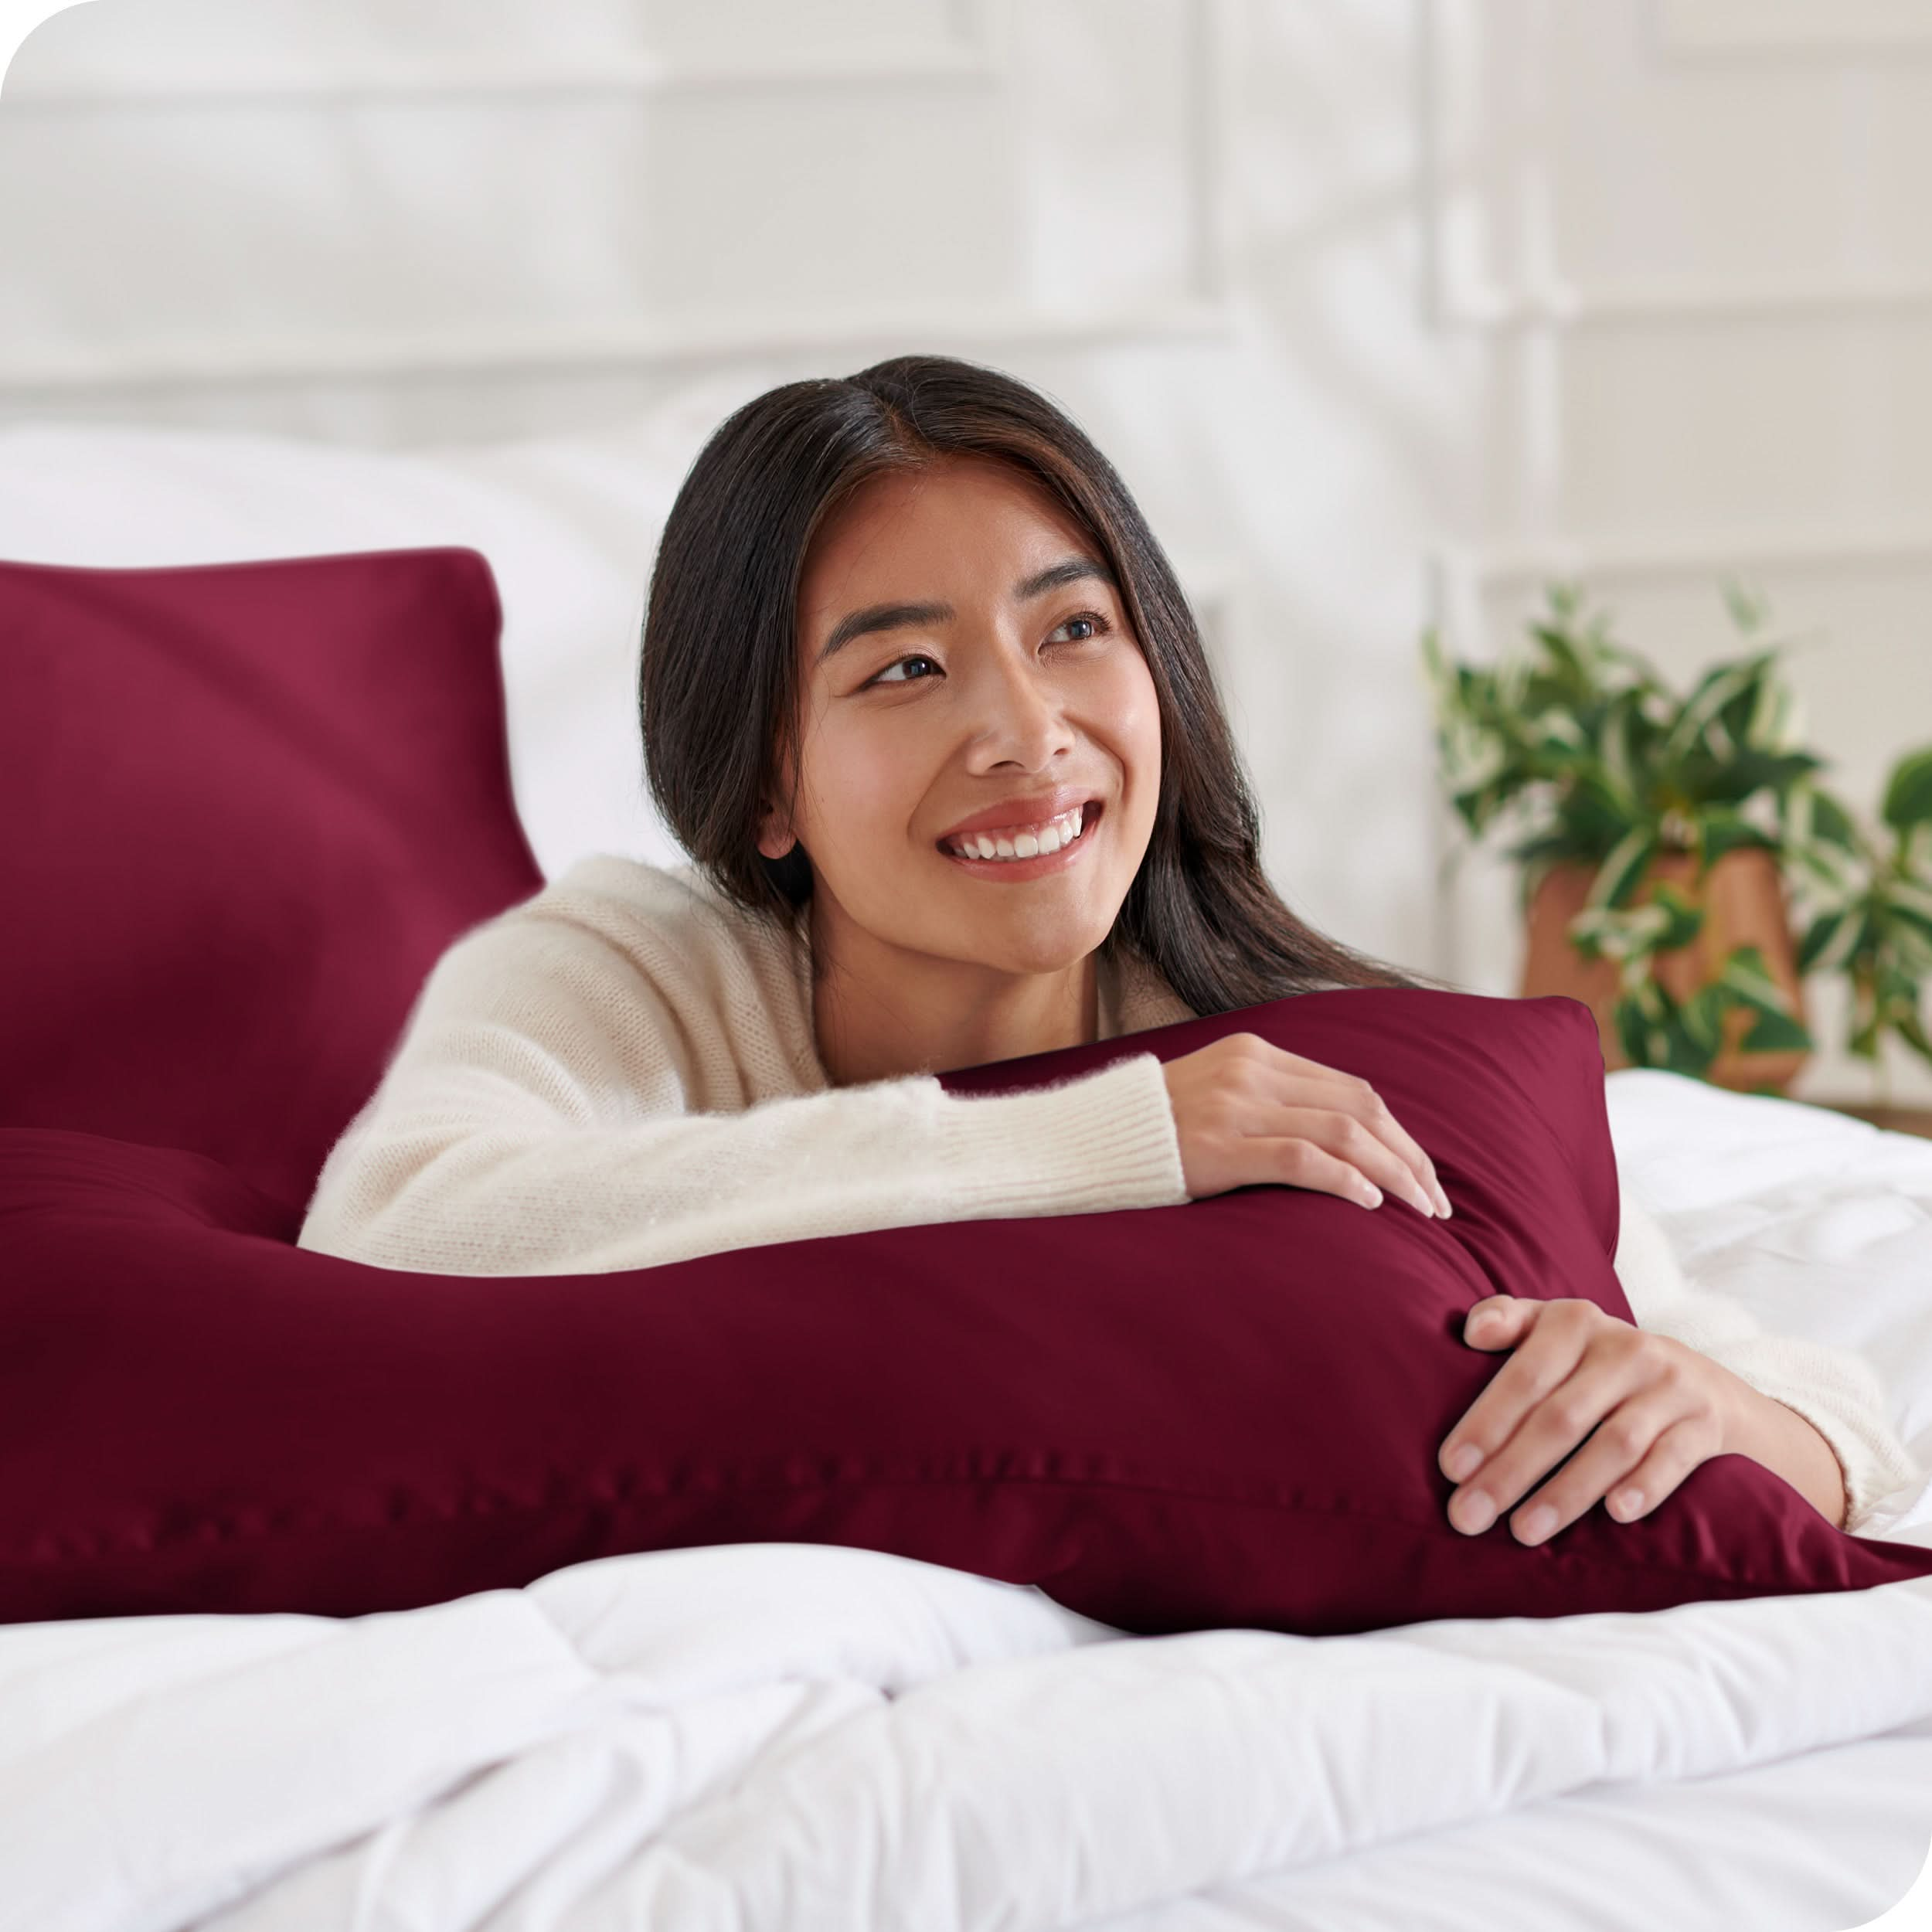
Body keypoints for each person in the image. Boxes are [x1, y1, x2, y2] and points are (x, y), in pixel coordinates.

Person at [298, 353, 1924, 1546]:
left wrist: (1702, 1407)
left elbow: (1828, 1415)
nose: (1026, 729)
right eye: (902, 671)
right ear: (765, 780)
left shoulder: (1301, 1056)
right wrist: (1098, 1143)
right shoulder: (637, 963)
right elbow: (396, 1228)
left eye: (1072, 629)